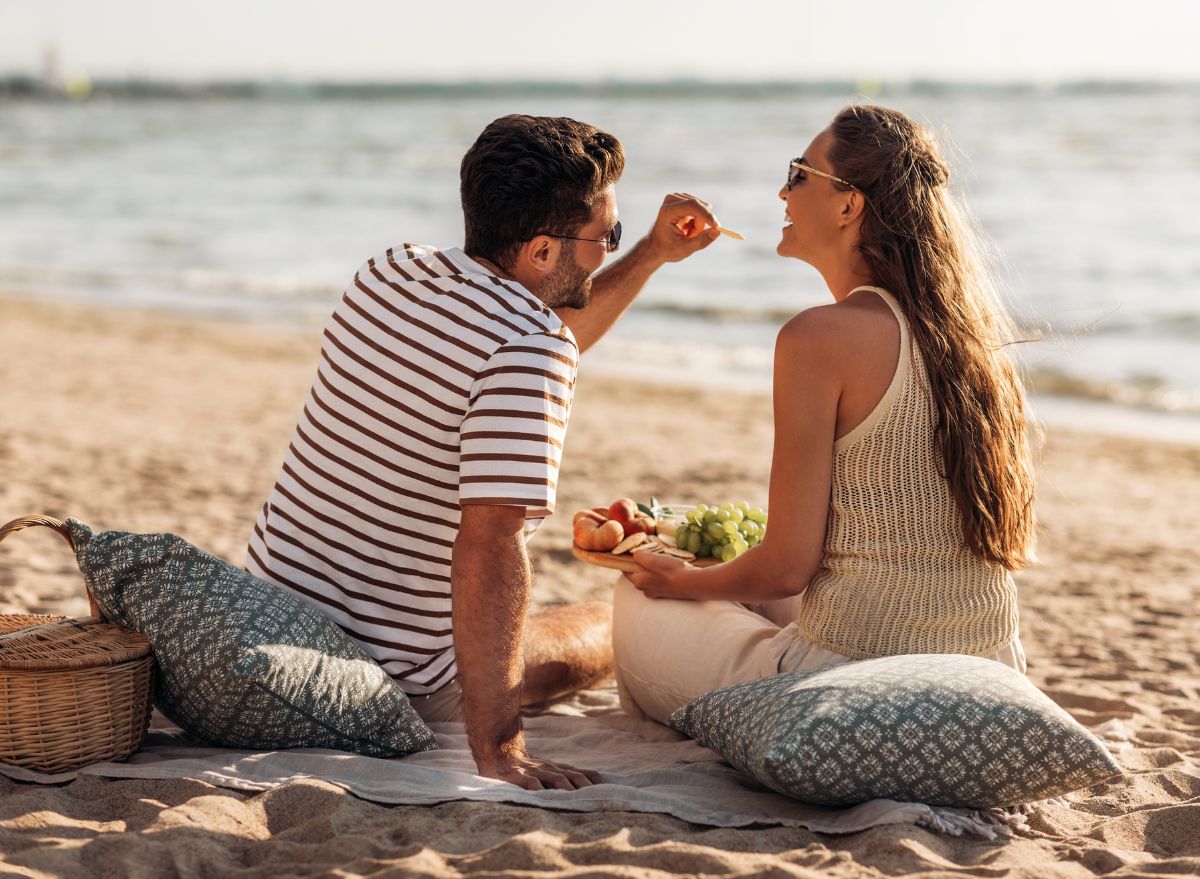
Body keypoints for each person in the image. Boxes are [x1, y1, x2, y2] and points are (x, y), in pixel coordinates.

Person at [246, 114, 723, 788]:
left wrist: (649, 251)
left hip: (273, 611)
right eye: (605, 237)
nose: (607, 249)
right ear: (537, 252)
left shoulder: (389, 272)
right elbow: (491, 544)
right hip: (396, 673)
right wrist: (501, 748)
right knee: (614, 622)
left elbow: (522, 328)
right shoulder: (532, 349)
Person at [617, 104, 1037, 724]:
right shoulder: (974, 341)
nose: (782, 191)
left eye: (799, 173)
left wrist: (676, 583)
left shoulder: (817, 338)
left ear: (849, 205)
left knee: (635, 597)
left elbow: (787, 568)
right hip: (991, 673)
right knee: (736, 589)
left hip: (845, 685)